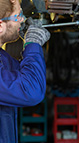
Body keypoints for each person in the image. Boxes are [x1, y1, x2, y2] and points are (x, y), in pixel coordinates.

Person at [0, 0, 50, 142]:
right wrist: (33, 43)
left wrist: (28, 41)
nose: (22, 19)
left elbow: (21, 76)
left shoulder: (3, 57)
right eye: (18, 16)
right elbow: (31, 90)